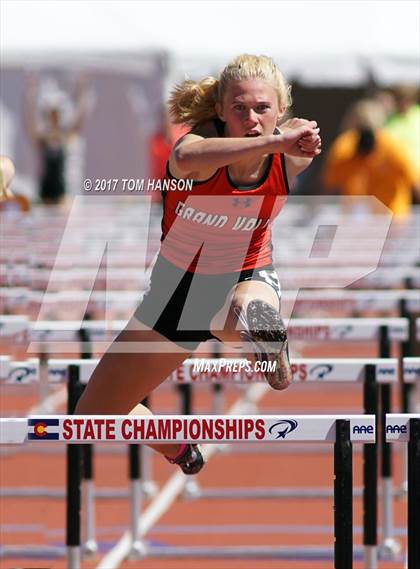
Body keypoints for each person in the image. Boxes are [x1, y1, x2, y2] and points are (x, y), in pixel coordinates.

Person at [75, 54, 321, 474]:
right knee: (91, 416)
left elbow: (292, 146)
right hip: (177, 292)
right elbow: (187, 161)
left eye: (263, 108)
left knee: (246, 305)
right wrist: (274, 142)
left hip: (247, 275)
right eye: (240, 108)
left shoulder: (290, 155)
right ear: (221, 112)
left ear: (280, 109)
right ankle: (178, 446)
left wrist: (288, 144)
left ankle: (262, 333)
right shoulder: (194, 147)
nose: (252, 118)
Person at [322, 99, 418, 218]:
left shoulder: (393, 148)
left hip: (391, 221)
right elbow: (328, 186)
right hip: (355, 221)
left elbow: (415, 183)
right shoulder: (343, 147)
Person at [24, 74, 90, 205]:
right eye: (51, 113)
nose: (54, 116)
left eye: (56, 113)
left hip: (61, 192)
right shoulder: (43, 137)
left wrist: (82, 89)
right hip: (45, 192)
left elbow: (79, 119)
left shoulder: (64, 135)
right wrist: (30, 95)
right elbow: (30, 123)